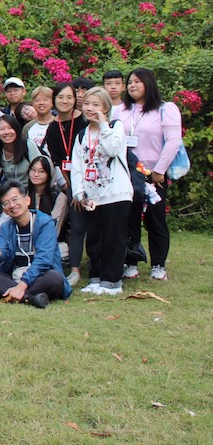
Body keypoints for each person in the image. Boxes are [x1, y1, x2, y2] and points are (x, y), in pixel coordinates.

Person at [119, 68, 182, 281]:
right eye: (130, 82)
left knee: (155, 219)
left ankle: (158, 265)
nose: (132, 85)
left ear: (149, 84)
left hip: (154, 175)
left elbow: (173, 141)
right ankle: (131, 262)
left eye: (137, 81)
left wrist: (159, 171)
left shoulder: (165, 109)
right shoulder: (121, 110)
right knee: (129, 219)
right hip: (127, 173)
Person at [71, 87, 131, 295]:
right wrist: (79, 193)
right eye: (87, 104)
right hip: (93, 196)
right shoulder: (82, 134)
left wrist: (103, 124)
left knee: (113, 238)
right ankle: (96, 278)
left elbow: (113, 149)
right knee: (94, 239)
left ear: (105, 108)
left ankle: (112, 281)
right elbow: (77, 166)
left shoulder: (115, 126)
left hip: (116, 193)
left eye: (95, 105)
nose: (90, 108)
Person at [0, 181, 72, 308]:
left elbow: (44, 259)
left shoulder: (45, 223)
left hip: (41, 275)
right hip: (15, 275)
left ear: (27, 200)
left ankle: (7, 293)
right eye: (6, 203)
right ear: (5, 210)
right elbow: (4, 254)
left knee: (55, 278)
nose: (12, 205)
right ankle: (31, 298)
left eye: (15, 199)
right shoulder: (6, 227)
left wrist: (22, 286)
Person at [45, 82, 86, 284]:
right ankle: (75, 270)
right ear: (54, 100)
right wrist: (74, 189)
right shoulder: (53, 128)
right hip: (72, 183)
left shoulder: (85, 121)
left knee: (97, 227)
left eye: (69, 97)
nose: (65, 101)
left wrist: (83, 187)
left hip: (94, 181)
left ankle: (99, 266)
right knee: (76, 226)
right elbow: (59, 162)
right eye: (60, 97)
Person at [0, 114, 42, 187]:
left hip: (31, 188)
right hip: (9, 189)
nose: (6, 132)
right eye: (2, 129)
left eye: (10, 128)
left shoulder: (28, 145)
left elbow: (41, 168)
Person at [27, 156, 67, 233]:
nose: (36, 174)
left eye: (41, 171)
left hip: (48, 237)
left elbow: (54, 226)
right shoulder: (23, 193)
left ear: (49, 173)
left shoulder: (59, 197)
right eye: (33, 170)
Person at [22, 86, 55, 153]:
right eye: (37, 100)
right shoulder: (28, 127)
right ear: (33, 104)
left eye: (45, 100)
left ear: (52, 102)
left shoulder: (59, 124)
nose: (41, 103)